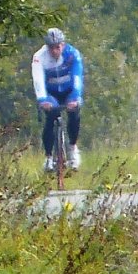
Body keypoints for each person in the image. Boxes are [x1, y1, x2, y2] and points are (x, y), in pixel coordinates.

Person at [32, 27, 84, 172]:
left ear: (63, 44)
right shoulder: (39, 57)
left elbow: (77, 78)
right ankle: (49, 157)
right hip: (50, 93)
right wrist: (42, 100)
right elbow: (38, 81)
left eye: (58, 47)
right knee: (51, 118)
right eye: (51, 48)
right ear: (46, 47)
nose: (55, 51)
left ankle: (73, 149)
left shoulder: (73, 54)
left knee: (74, 113)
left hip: (68, 91)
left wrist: (75, 98)